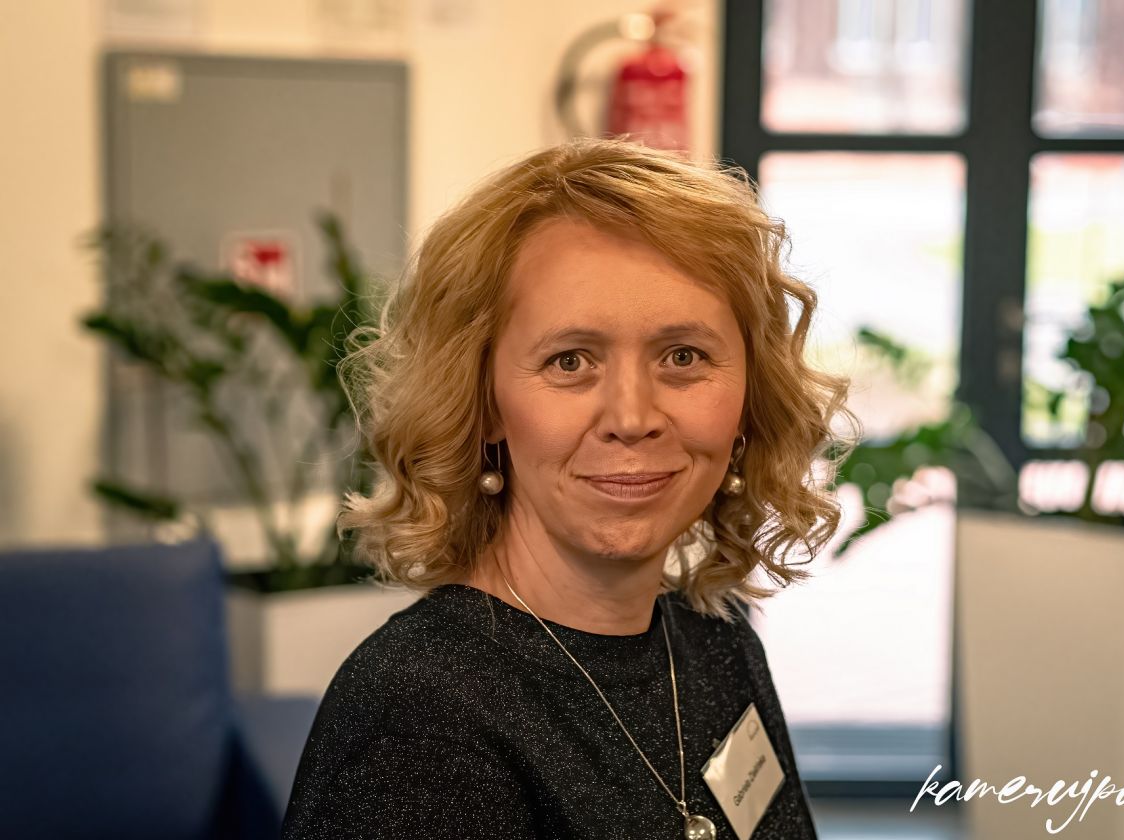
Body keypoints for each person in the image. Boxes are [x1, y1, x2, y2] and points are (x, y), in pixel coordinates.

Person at [281, 137, 858, 839]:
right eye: (570, 361)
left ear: (750, 394)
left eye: (683, 356)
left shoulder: (716, 644)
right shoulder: (419, 721)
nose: (632, 418)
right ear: (483, 403)